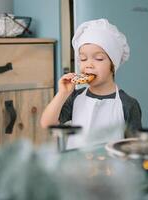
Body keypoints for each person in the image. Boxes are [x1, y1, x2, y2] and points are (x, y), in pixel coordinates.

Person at [40, 18, 142, 149]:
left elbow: (135, 148)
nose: (88, 64)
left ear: (113, 65)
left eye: (98, 58)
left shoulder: (128, 104)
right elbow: (47, 124)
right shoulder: (75, 97)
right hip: (77, 166)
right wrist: (62, 93)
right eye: (83, 59)